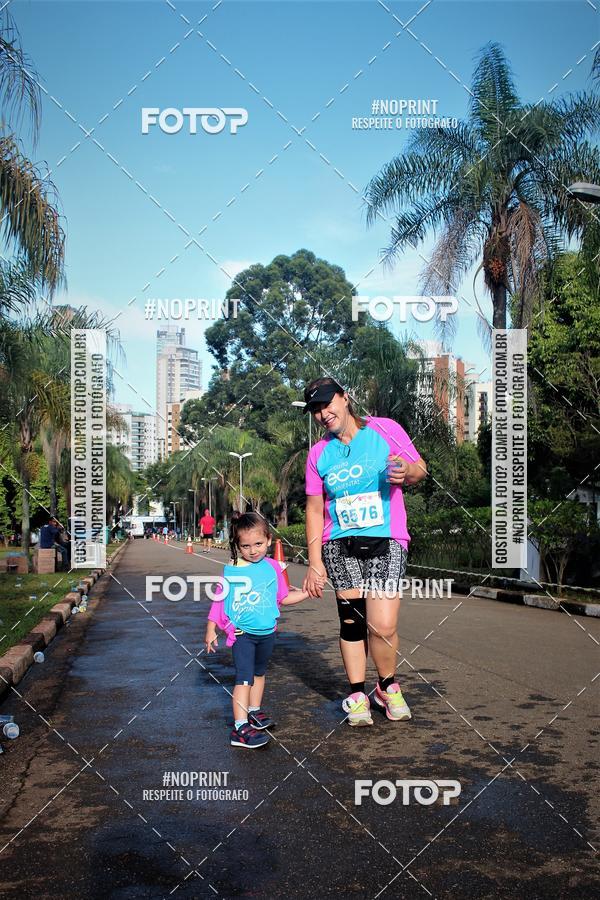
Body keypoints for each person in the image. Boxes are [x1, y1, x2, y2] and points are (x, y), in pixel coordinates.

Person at [302, 377, 427, 727]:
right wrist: (314, 561)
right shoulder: (318, 455)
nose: (324, 414)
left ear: (344, 398)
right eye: (316, 410)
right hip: (340, 544)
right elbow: (314, 509)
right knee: (353, 622)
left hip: (387, 538)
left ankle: (387, 686)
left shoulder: (385, 430)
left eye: (328, 404)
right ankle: (357, 694)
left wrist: (407, 473)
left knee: (383, 624)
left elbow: (420, 468)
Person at [204, 512, 310, 749]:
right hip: (242, 634)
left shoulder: (273, 567)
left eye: (259, 544)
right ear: (238, 546)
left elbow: (283, 597)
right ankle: (240, 728)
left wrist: (305, 593)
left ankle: (254, 711)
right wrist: (211, 629)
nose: (253, 550)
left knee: (259, 674)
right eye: (246, 546)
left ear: (269, 540)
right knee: (244, 678)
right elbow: (219, 601)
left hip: (267, 633)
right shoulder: (232, 571)